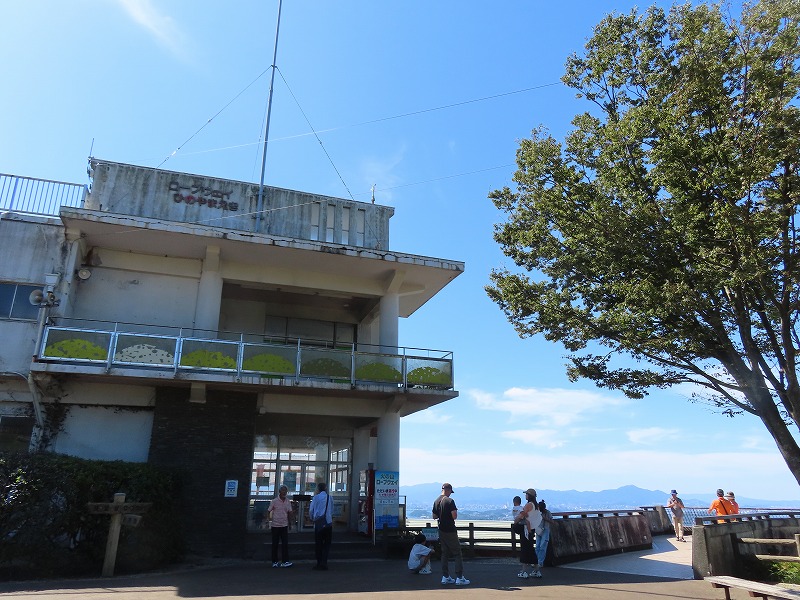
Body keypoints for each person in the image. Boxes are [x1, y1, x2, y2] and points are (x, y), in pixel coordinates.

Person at [432, 483, 470, 585]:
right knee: (457, 553)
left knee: (444, 553)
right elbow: (454, 516)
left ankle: (445, 576)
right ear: (448, 490)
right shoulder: (450, 501)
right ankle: (459, 577)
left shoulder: (436, 501)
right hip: (450, 529)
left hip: (441, 529)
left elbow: (434, 516)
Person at [514, 488, 543, 579]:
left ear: (529, 495)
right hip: (532, 529)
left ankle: (524, 571)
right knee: (530, 550)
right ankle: (536, 570)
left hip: (526, 529)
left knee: (525, 550)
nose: (525, 495)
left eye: (526, 494)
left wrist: (516, 521)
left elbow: (521, 515)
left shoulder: (528, 505)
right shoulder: (536, 505)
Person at [268, 485, 294, 567]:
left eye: (285, 491)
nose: (284, 492)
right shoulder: (274, 501)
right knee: (275, 544)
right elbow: (269, 511)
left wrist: (290, 523)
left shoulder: (288, 501)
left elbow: (290, 512)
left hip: (284, 525)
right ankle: (274, 562)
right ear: (279, 491)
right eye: (283, 490)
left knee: (285, 544)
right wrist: (269, 521)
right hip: (275, 525)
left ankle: (285, 561)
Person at [309, 482, 333, 570]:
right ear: (326, 489)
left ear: (318, 489)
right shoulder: (330, 498)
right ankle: (324, 562)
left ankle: (319, 563)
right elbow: (332, 509)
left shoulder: (316, 498)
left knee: (318, 544)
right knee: (327, 544)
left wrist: (312, 518)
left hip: (318, 524)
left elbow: (311, 510)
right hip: (328, 523)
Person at [535, 500, 553, 566]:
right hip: (538, 529)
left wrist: (545, 519)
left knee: (542, 546)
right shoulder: (537, 512)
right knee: (537, 546)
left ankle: (540, 562)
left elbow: (552, 521)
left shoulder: (548, 513)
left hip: (545, 529)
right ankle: (535, 561)